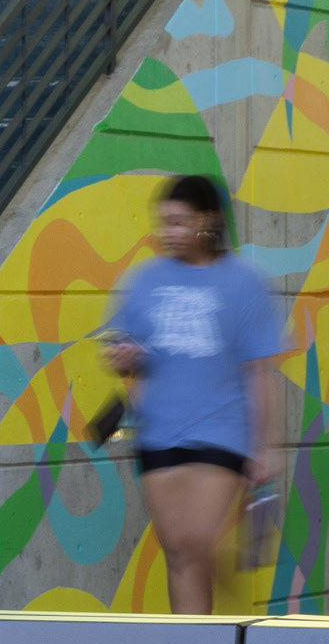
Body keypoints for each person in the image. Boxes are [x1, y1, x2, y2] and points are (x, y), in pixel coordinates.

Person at [97, 174, 289, 614]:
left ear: (209, 222)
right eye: (163, 223)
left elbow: (258, 370)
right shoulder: (144, 279)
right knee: (180, 552)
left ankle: (206, 640)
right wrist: (121, 355)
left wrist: (265, 446)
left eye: (180, 222)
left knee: (197, 539)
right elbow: (118, 347)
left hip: (223, 432)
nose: (169, 233)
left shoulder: (244, 282)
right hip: (159, 432)